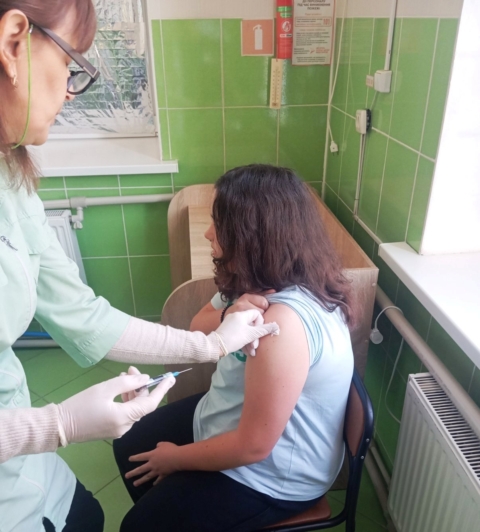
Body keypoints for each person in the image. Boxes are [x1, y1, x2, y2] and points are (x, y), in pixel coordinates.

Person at [0, 2, 278, 531]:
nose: (71, 94)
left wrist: (211, 346)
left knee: (87, 514)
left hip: (24, 466)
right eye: (72, 65)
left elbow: (85, 316)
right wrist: (58, 424)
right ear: (14, 40)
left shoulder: (10, 177)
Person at [114, 164, 356, 532]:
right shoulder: (255, 281)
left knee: (138, 525)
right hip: (228, 416)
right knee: (129, 445)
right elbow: (198, 326)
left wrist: (176, 459)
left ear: (251, 235)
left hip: (271, 476)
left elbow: (253, 447)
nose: (208, 233)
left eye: (219, 224)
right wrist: (231, 312)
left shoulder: (283, 323)